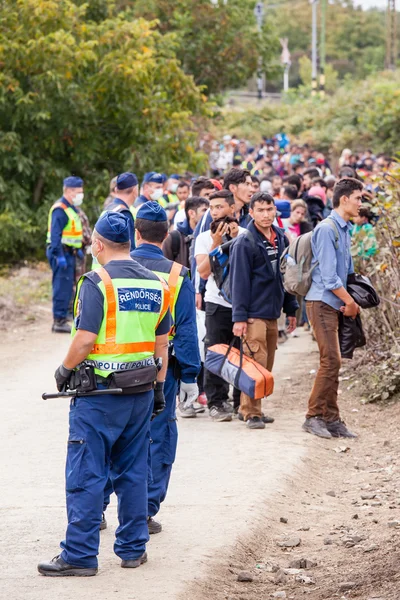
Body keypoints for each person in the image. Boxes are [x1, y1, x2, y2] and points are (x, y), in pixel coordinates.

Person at [38, 211, 171, 576]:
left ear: (97, 244)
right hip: (141, 391)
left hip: (100, 395)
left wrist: (64, 370)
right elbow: (162, 344)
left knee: (87, 472)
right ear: (130, 242)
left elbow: (84, 339)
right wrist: (159, 389)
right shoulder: (157, 285)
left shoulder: (97, 282)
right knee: (132, 472)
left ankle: (79, 555)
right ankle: (132, 549)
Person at [131, 202, 201, 533]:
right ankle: (144, 509)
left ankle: (100, 506)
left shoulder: (112, 270)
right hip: (162, 367)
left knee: (113, 434)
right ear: (167, 234)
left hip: (116, 364)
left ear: (136, 232)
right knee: (159, 434)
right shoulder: (176, 274)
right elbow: (186, 329)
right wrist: (189, 374)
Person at [230, 192, 298, 429]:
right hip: (252, 314)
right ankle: (251, 412)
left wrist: (291, 308)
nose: (266, 214)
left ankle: (248, 406)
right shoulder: (244, 241)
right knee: (254, 362)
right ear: (251, 213)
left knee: (266, 364)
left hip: (273, 312)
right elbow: (239, 282)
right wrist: (239, 318)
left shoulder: (281, 237)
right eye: (260, 210)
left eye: (269, 209)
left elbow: (286, 275)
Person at [303, 177, 363, 440]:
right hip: (322, 303)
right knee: (331, 361)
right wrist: (349, 301)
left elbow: (346, 272)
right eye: (359, 198)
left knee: (333, 362)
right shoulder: (327, 229)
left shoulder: (345, 228)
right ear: (344, 199)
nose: (361, 203)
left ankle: (332, 418)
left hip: (334, 303)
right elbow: (329, 278)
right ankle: (313, 416)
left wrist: (356, 296)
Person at [195, 190, 247, 422]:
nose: (214, 212)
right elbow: (204, 272)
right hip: (216, 303)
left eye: (219, 207)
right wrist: (216, 243)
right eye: (211, 207)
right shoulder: (204, 238)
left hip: (243, 305)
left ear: (232, 209)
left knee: (244, 355)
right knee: (216, 352)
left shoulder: (246, 235)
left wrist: (235, 241)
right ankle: (217, 402)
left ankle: (241, 402)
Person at [46, 176, 85, 334]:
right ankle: (58, 321)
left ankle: (64, 315)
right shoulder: (60, 209)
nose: (81, 195)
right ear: (68, 191)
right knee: (61, 286)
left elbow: (73, 232)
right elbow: (55, 236)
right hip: (60, 253)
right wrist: (59, 255)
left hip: (70, 252)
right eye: (78, 192)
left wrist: (78, 248)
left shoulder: (71, 208)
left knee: (68, 286)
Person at [163, 197, 209, 267]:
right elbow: (164, 268)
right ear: (191, 213)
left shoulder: (210, 235)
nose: (208, 214)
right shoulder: (174, 238)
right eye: (204, 210)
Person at [103, 172, 138, 251]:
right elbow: (129, 249)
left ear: (116, 190)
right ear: (135, 190)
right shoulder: (124, 213)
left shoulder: (109, 207)